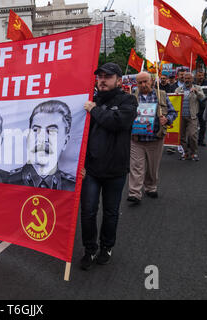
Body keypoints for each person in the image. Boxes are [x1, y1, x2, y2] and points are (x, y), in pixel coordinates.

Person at [79, 63, 138, 270]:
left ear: (119, 80)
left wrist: (94, 110)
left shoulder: (128, 101)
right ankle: (89, 249)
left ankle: (106, 247)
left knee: (111, 212)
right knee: (88, 212)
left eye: (108, 76)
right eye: (100, 77)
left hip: (115, 170)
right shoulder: (90, 100)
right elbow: (79, 134)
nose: (102, 80)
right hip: (91, 170)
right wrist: (81, 163)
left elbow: (117, 122)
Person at [127, 72, 177, 205]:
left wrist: (166, 119)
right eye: (140, 83)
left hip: (155, 138)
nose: (143, 85)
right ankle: (134, 193)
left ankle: (150, 187)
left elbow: (173, 112)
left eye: (145, 82)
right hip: (137, 139)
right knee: (136, 167)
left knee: (152, 167)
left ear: (152, 81)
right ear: (136, 84)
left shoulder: (161, 95)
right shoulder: (131, 97)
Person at [8, 100, 76, 191]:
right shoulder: (7, 182)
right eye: (36, 130)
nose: (42, 138)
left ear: (65, 142)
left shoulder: (72, 187)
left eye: (52, 131)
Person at [175, 72, 205, 161]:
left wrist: (196, 92)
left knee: (192, 135)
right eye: (185, 78)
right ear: (183, 79)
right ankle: (185, 153)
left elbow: (203, 98)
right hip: (181, 116)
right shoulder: (178, 89)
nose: (187, 80)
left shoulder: (198, 88)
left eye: (189, 78)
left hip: (192, 116)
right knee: (181, 136)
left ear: (192, 79)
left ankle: (194, 153)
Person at [194, 71, 207, 146]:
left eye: (202, 75)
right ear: (196, 76)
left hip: (203, 107)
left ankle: (201, 140)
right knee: (192, 125)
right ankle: (191, 141)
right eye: (199, 75)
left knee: (203, 125)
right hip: (194, 107)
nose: (201, 77)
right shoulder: (192, 83)